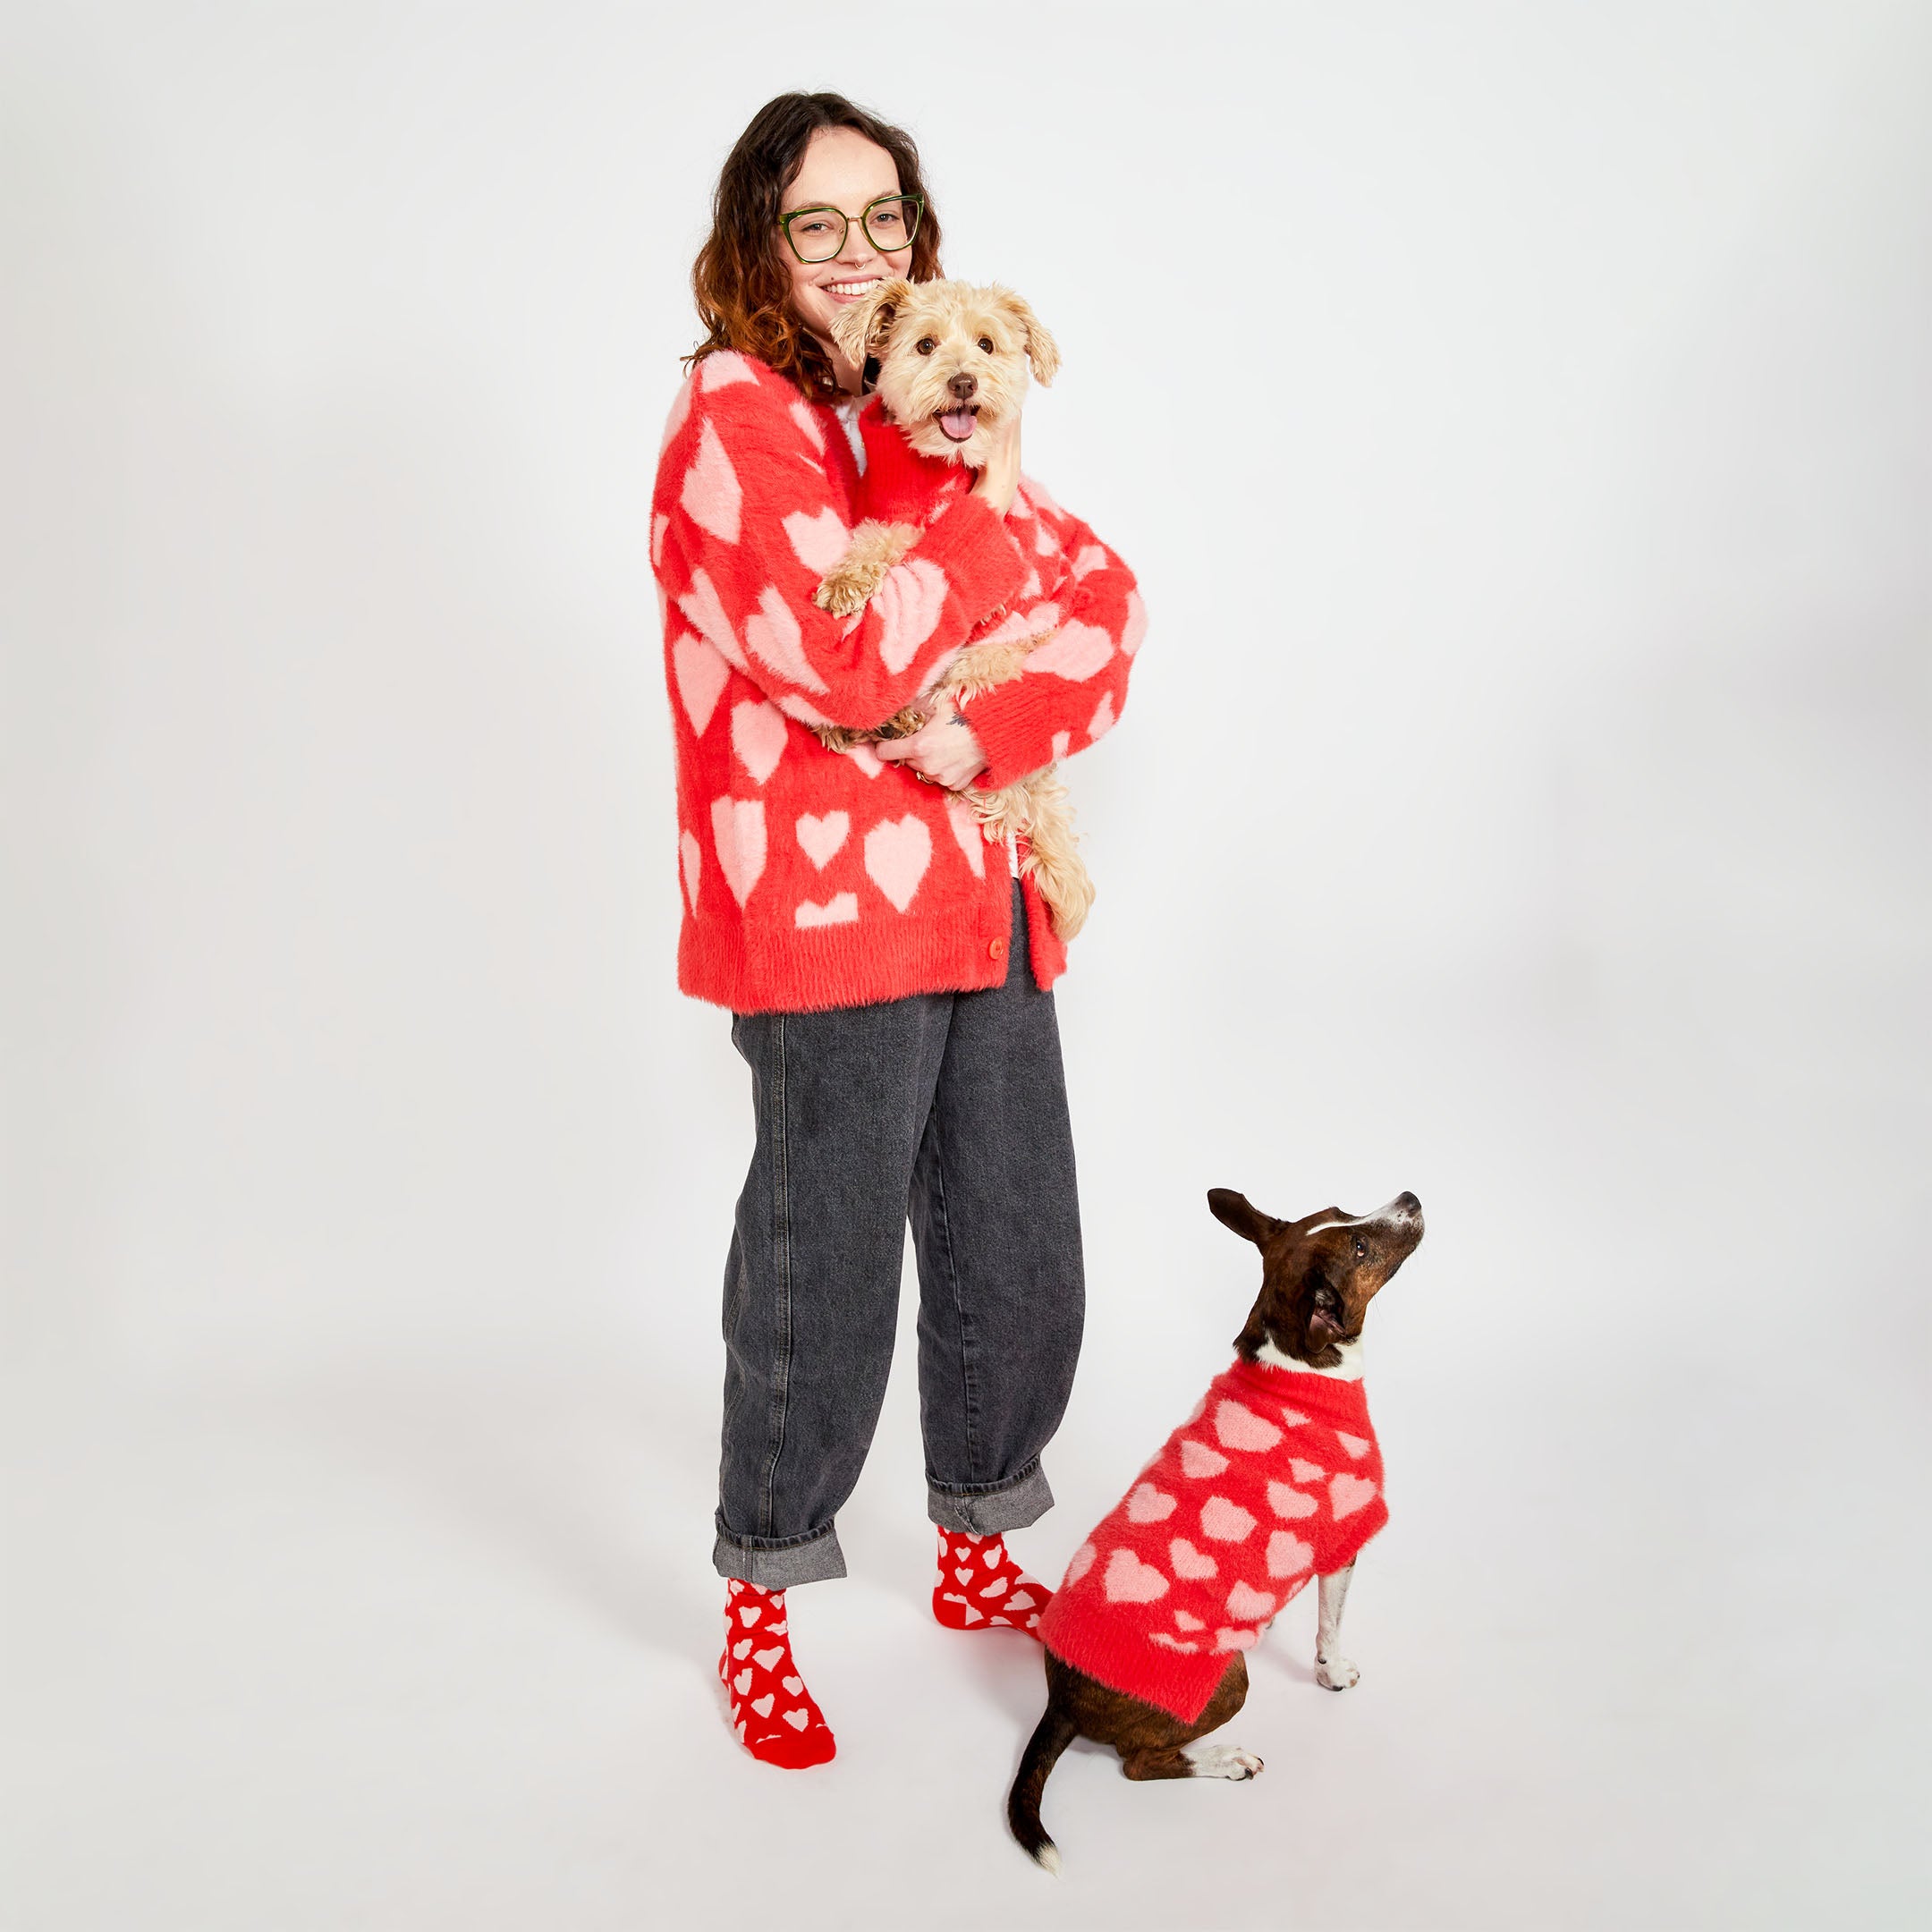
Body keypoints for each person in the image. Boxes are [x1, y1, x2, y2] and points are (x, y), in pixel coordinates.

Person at [651, 91, 1147, 1768]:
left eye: (888, 226)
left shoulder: (924, 412)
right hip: (824, 913)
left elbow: (1105, 612)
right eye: (819, 226)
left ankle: (978, 1538)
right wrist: (980, 517)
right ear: (758, 247)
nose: (862, 259)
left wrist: (994, 730)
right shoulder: (739, 420)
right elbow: (843, 659)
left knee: (1017, 1244)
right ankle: (762, 1605)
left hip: (982, 893)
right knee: (824, 1275)